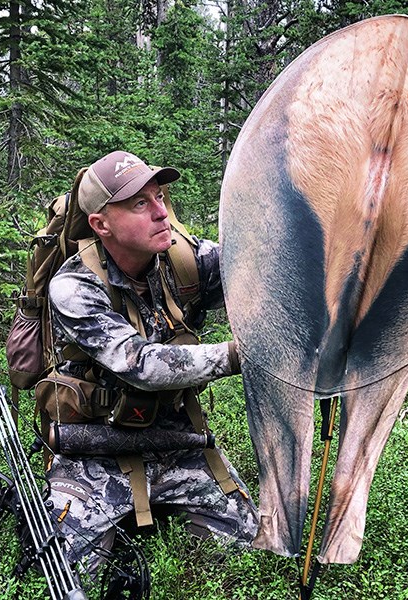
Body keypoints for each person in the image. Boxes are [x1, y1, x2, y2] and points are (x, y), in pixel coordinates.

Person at [44, 150, 259, 566]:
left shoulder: (185, 260)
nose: (161, 212)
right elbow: (143, 366)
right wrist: (239, 356)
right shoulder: (73, 287)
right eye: (140, 203)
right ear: (100, 224)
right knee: (69, 570)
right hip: (95, 447)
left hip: (175, 439)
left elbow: (258, 265)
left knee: (245, 545)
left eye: (160, 197)